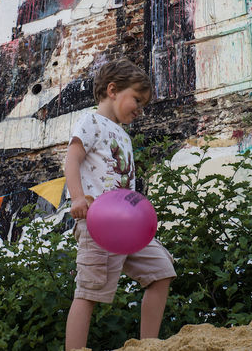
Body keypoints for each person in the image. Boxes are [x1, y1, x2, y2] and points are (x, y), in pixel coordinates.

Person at [64, 57, 175, 350]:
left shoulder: (124, 135)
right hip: (97, 222)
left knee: (161, 270)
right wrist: (77, 197)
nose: (140, 109)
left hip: (128, 226)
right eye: (137, 100)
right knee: (89, 290)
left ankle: (148, 345)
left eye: (143, 105)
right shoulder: (91, 122)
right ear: (113, 90)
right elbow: (71, 160)